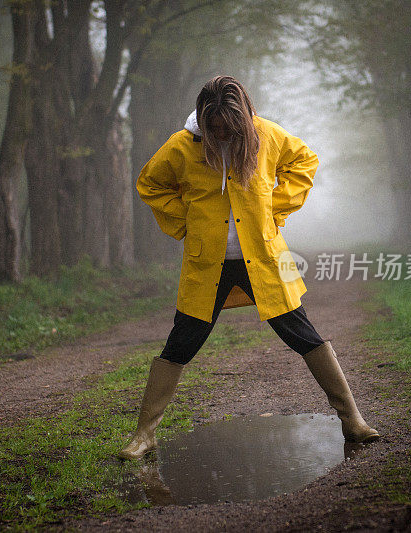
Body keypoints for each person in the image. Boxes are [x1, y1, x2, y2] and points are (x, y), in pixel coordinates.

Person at [118, 75, 380, 461]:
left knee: (304, 335)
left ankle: (352, 420)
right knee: (181, 344)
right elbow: (150, 184)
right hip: (207, 265)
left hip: (268, 259)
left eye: (229, 126)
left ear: (241, 117)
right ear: (205, 118)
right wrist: (185, 220)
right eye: (215, 126)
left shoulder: (265, 135)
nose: (222, 133)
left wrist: (274, 208)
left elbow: (305, 160)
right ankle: (144, 435)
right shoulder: (181, 146)